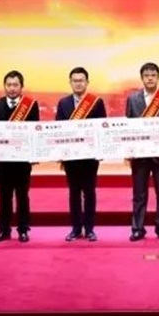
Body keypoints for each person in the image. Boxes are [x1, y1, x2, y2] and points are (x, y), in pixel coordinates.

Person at [125, 62, 159, 242]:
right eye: (146, 75)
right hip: (139, 155)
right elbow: (129, 127)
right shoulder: (133, 99)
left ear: (158, 77)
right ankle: (137, 228)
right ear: (142, 78)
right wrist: (129, 150)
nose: (150, 78)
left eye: (153, 75)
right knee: (139, 195)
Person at [55, 66, 106, 242]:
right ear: (70, 83)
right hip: (71, 157)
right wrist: (60, 153)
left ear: (87, 82)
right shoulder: (63, 103)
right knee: (74, 193)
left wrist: (100, 150)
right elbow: (58, 129)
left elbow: (102, 129)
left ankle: (90, 229)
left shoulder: (96, 102)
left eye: (81, 80)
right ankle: (76, 229)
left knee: (89, 193)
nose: (78, 84)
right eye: (75, 81)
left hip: (90, 157)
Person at [0, 70, 39, 243]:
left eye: (15, 85)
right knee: (4, 197)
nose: (12, 88)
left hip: (22, 161)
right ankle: (4, 230)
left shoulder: (30, 105)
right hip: (2, 161)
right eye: (9, 85)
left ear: (21, 86)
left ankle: (23, 230)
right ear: (4, 86)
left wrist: (34, 154)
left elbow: (35, 133)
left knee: (22, 196)